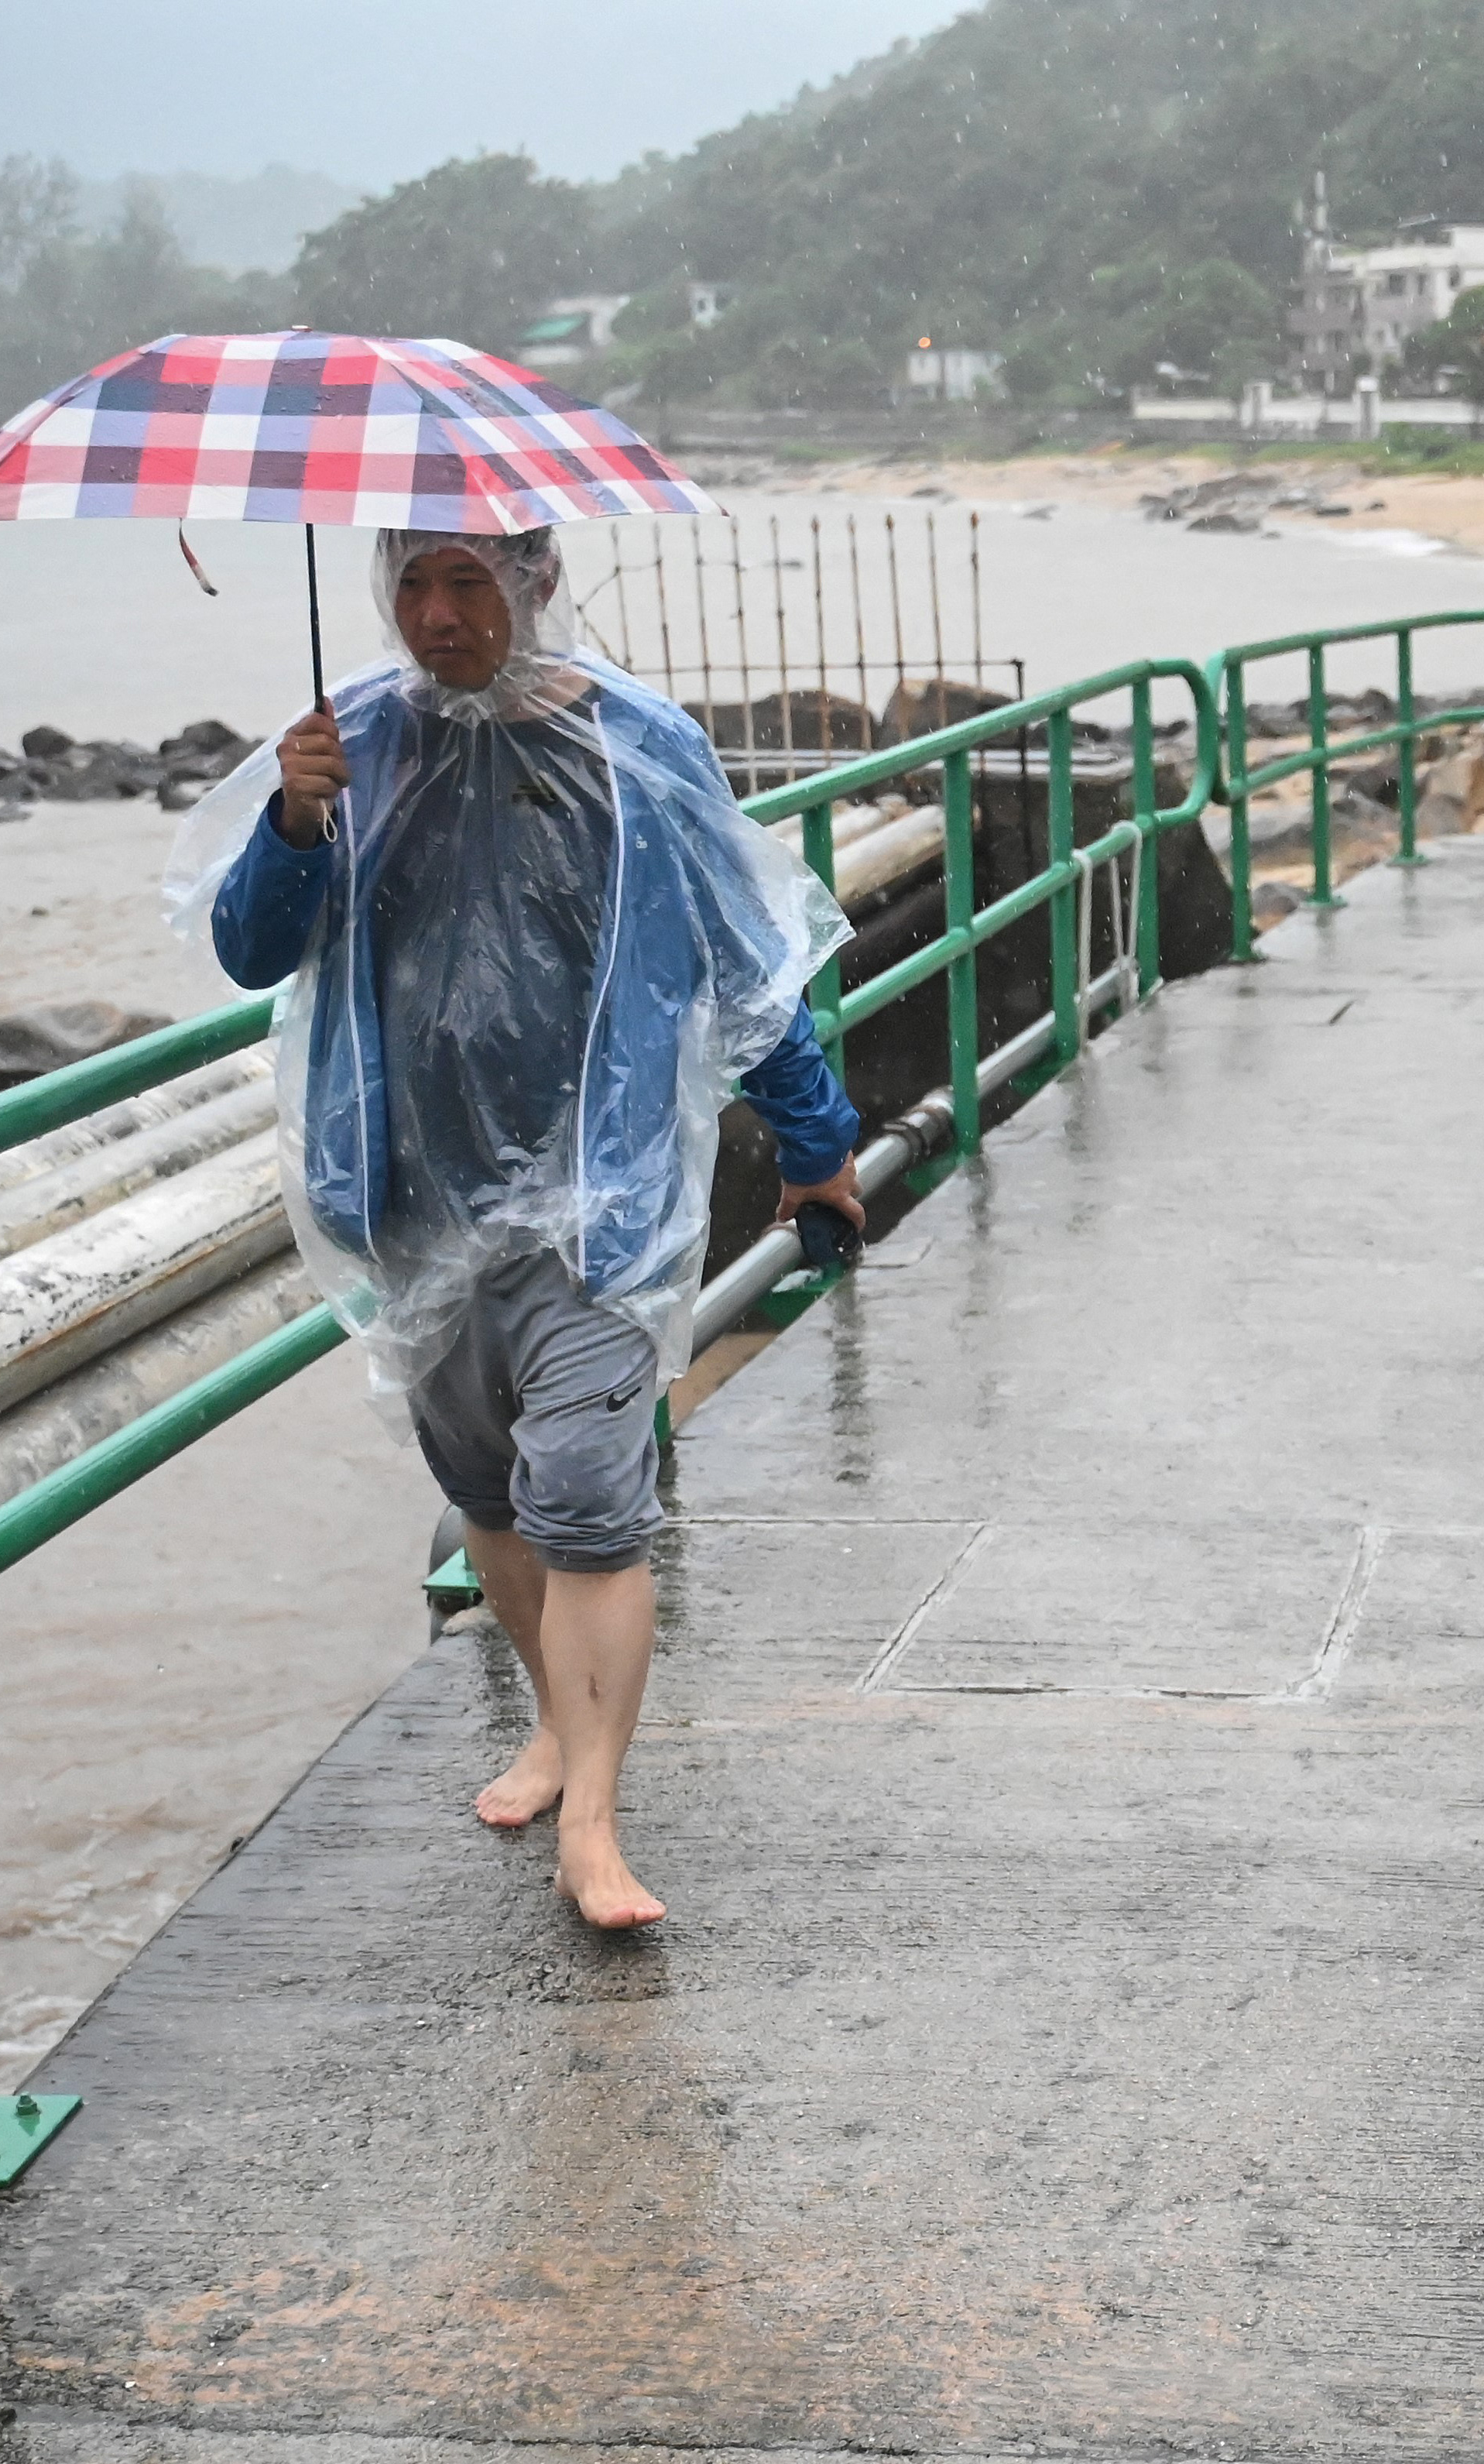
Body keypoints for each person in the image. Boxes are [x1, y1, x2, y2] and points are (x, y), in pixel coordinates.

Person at [184, 527, 862, 1929]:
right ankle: (557, 1726)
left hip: (600, 1206)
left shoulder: (640, 749)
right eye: (414, 583)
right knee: (494, 1501)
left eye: (468, 582)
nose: (436, 617)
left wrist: (817, 1142)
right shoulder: (348, 745)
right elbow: (253, 953)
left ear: (536, 584)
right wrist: (293, 823)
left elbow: (748, 972)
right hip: (409, 1202)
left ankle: (597, 1827)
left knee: (594, 1511)